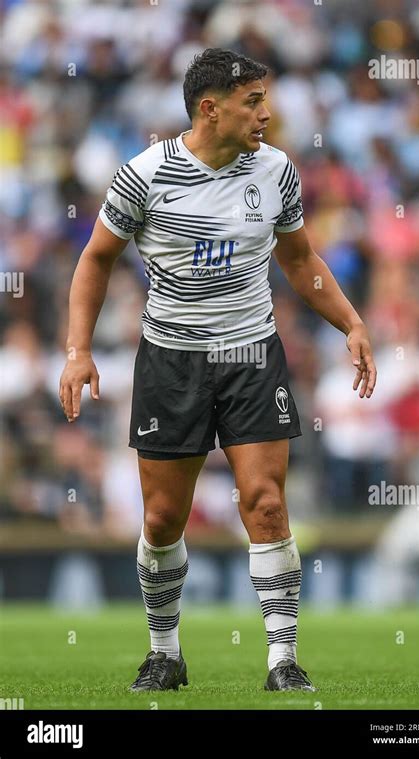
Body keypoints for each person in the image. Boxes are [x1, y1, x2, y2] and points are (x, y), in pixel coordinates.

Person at [59, 48, 377, 693]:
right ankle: (164, 652)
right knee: (160, 521)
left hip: (252, 356)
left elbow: (298, 259)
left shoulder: (277, 171)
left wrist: (351, 322)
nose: (268, 113)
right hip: (171, 361)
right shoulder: (142, 177)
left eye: (265, 99)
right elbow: (96, 260)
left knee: (264, 504)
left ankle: (282, 661)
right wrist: (77, 350)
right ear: (212, 108)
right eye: (253, 101)